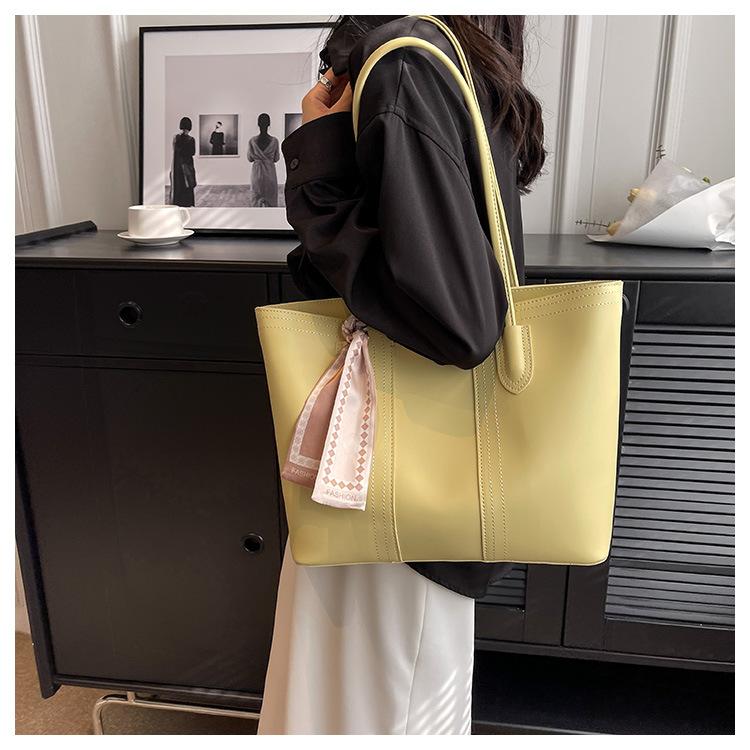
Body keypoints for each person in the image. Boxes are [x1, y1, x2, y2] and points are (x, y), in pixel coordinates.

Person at [257, 15, 545, 735]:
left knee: (363, 712)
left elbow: (459, 320)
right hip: (400, 483)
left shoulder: (405, 62)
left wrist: (320, 170)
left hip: (388, 495)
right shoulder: (447, 55)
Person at [247, 113, 280, 206]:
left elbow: (250, 158)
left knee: (255, 201)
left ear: (258, 124)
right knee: (271, 201)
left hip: (257, 173)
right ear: (269, 124)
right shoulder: (274, 141)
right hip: (270, 174)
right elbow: (276, 158)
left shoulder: (252, 141)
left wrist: (258, 157)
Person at [169, 116, 196, 207]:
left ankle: (178, 203)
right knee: (188, 184)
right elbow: (192, 152)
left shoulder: (176, 138)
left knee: (179, 186)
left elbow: (175, 151)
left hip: (178, 167)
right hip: (187, 165)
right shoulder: (191, 139)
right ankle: (188, 203)